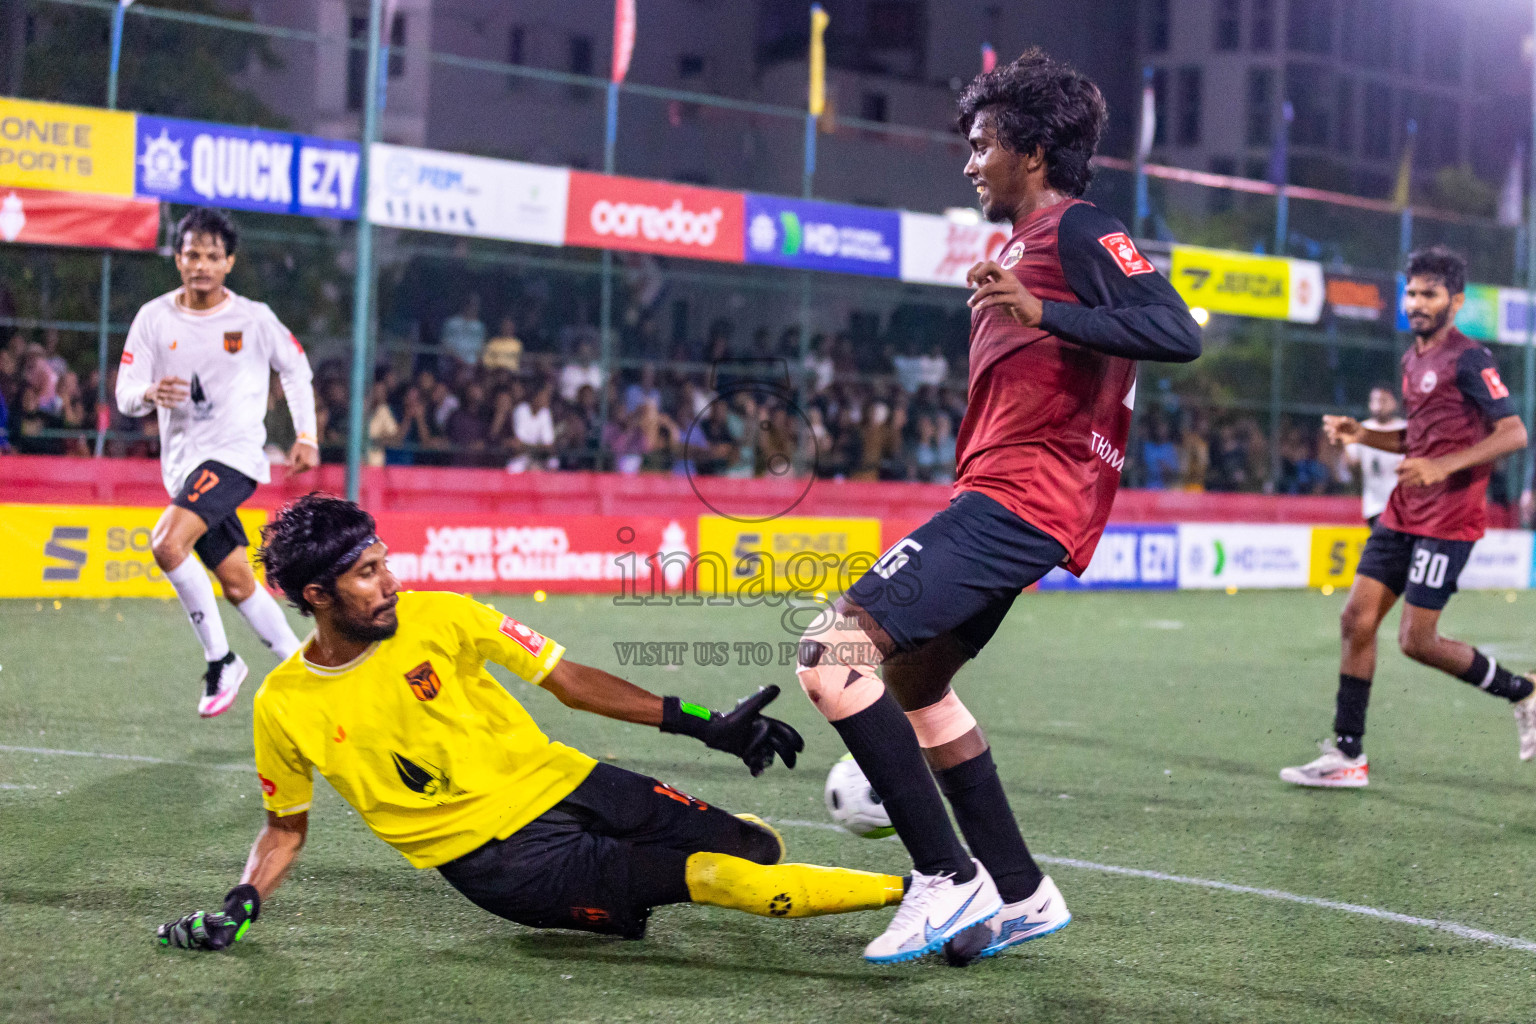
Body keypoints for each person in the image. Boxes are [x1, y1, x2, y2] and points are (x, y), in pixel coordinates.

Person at [790, 49, 1200, 966]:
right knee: (917, 686)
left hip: (1026, 496)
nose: (969, 162)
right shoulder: (1018, 248)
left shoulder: (1084, 231)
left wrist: (1044, 313)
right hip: (1012, 495)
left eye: (982, 145)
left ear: (1036, 152)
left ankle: (945, 876)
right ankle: (1020, 891)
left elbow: (1176, 330)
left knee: (830, 653)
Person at [155, 495, 908, 952]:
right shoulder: (284, 704)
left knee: (755, 846)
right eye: (366, 574)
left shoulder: (441, 615)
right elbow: (285, 828)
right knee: (716, 878)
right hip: (499, 864)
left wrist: (707, 724)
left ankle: (704, 859)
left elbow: (570, 681)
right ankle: (919, 890)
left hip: (565, 779)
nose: (390, 583)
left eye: (384, 562)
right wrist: (240, 906)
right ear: (317, 595)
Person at [1281, 248, 1535, 786]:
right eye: (1412, 293)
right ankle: (1347, 757)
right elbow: (1414, 439)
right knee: (1355, 620)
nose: (1416, 304)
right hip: (1401, 512)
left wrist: (1443, 467)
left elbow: (1513, 432)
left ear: (1456, 301)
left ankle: (1524, 692)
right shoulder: (1411, 359)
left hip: (1449, 517)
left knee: (1417, 641)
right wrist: (1361, 434)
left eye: (1429, 294)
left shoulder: (1471, 359)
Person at [115, 207, 316, 717]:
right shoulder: (154, 318)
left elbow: (295, 371)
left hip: (234, 456)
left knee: (166, 542)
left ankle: (221, 659)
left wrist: (306, 435)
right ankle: (305, 670)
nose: (200, 264)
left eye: (212, 256)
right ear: (177, 259)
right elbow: (123, 395)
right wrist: (148, 392)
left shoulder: (253, 318)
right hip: (183, 470)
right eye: (191, 255)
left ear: (229, 262)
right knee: (237, 582)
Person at [1344, 385, 1407, 528]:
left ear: (1394, 403)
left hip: (1404, 506)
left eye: (1383, 400)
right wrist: (1344, 440)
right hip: (1375, 506)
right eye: (1375, 400)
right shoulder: (1361, 431)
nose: (1379, 406)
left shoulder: (1405, 429)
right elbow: (1352, 466)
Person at [440, 293, 487, 368]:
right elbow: (446, 345)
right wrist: (458, 361)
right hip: (454, 364)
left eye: (475, 305)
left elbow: (481, 347)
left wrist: (476, 363)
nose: (472, 308)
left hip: (473, 366)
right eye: (470, 304)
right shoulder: (451, 323)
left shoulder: (479, 327)